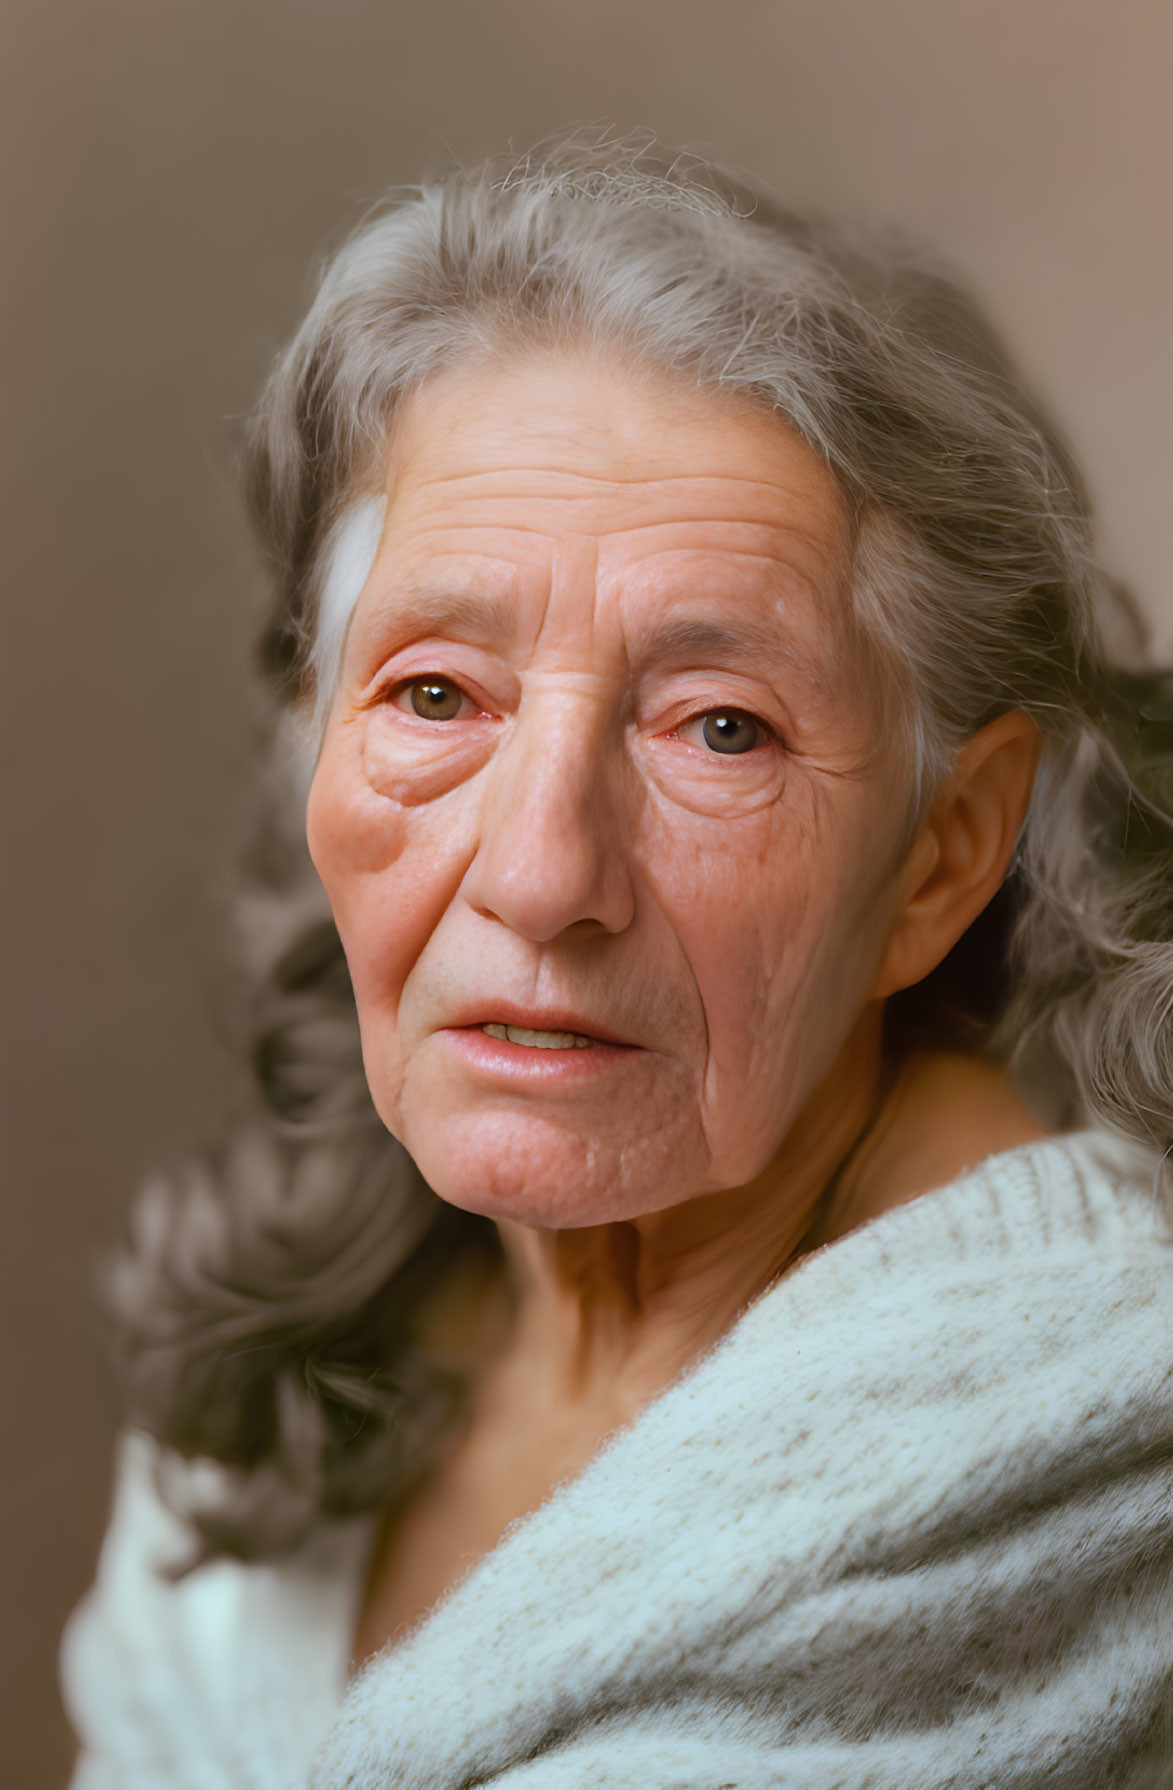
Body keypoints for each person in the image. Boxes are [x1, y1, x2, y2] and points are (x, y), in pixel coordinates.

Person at [61, 133, 1173, 1788]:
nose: (538, 872)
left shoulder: (1090, 1434)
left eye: (719, 727)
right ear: (314, 741)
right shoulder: (281, 1374)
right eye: (435, 695)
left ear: (944, 852)